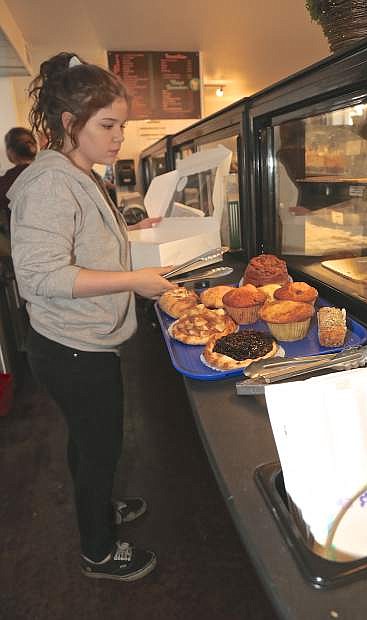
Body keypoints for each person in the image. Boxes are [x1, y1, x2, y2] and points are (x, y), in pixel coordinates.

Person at [8, 51, 176, 582]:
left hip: (80, 343)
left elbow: (82, 233)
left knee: (89, 441)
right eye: (107, 125)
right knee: (100, 448)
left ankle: (100, 505)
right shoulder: (49, 182)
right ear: (68, 123)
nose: (118, 137)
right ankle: (99, 552)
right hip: (72, 349)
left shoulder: (76, 172)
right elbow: (40, 276)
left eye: (121, 125)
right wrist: (134, 281)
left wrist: (127, 224)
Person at [0, 127, 37, 236]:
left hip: (23, 244)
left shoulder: (5, 181)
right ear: (35, 147)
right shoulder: (52, 170)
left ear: (10, 152)